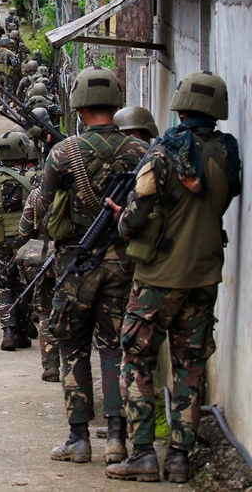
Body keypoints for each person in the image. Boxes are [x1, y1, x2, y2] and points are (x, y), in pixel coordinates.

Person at [105, 72, 242, 484]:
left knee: (136, 360)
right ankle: (180, 459)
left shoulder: (164, 153)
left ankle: (144, 453)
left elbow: (133, 219)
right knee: (190, 365)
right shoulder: (228, 152)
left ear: (180, 106)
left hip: (159, 278)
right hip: (205, 275)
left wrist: (121, 216)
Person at [31, 66, 148, 466]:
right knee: (114, 349)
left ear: (79, 107)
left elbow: (39, 208)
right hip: (124, 264)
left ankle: (79, 440)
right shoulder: (140, 152)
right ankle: (118, 441)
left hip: (75, 263)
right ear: (116, 103)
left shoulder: (65, 153)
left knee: (74, 349)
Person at [0, 131, 39, 350]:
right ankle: (22, 333)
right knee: (25, 285)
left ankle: (7, 331)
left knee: (5, 284)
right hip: (28, 240)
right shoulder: (34, 178)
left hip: (2, 240)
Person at [18, 182, 61, 382]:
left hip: (45, 259)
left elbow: (24, 231)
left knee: (45, 312)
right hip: (77, 260)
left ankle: (51, 366)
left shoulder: (37, 196)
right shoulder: (88, 191)